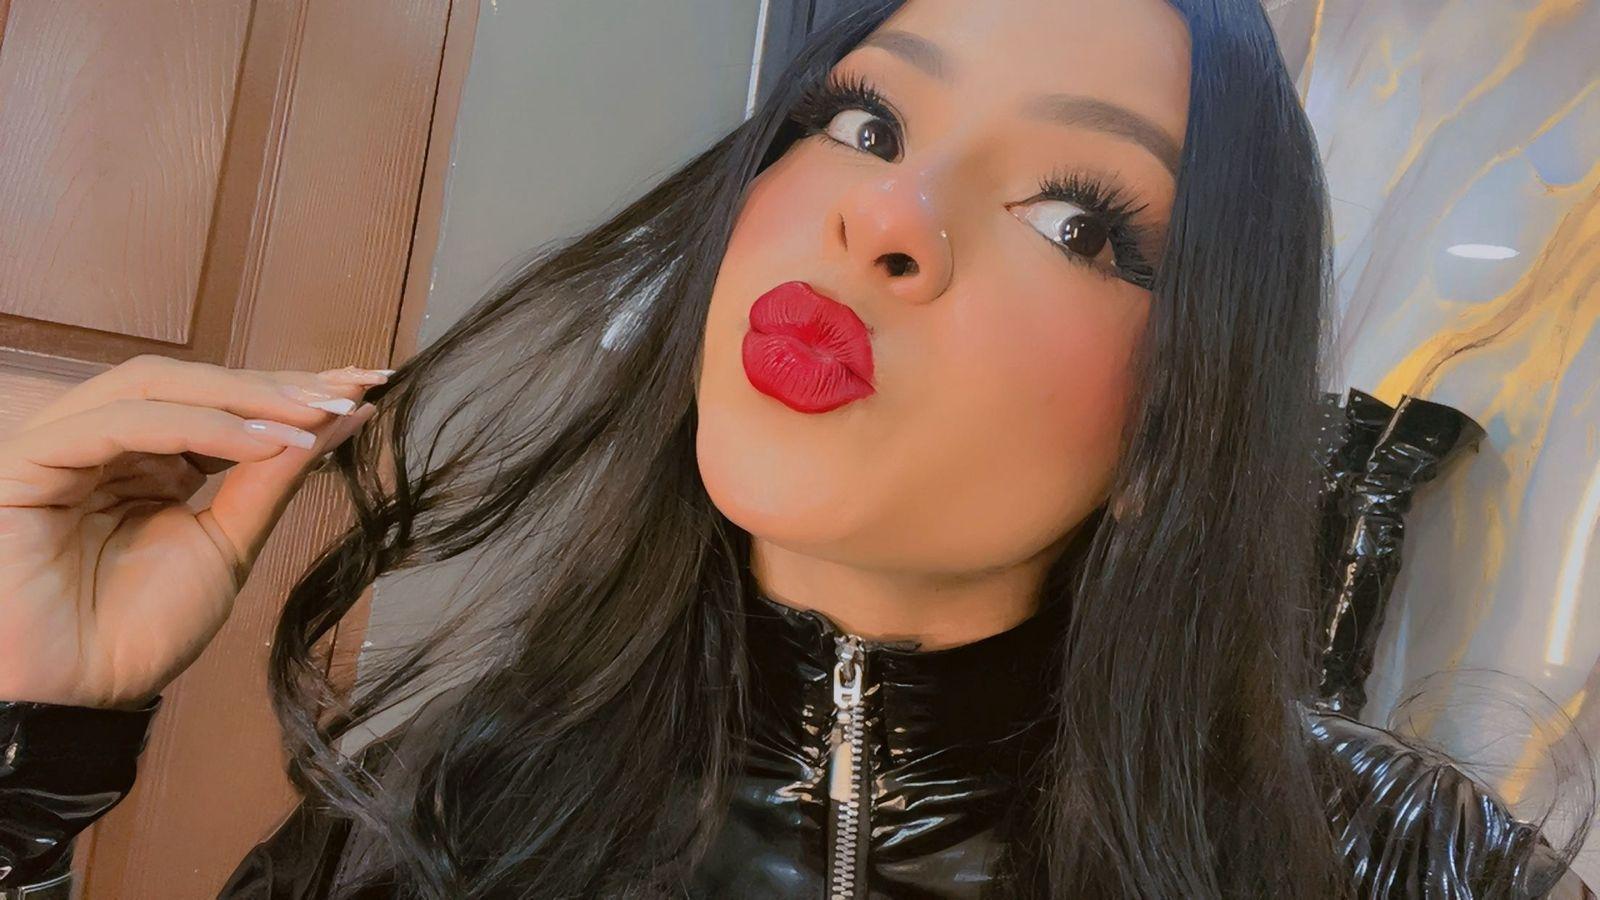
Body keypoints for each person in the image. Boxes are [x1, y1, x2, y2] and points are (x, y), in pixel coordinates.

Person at [0, 0, 1594, 897]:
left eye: (1077, 218)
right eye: (865, 121)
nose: (887, 213)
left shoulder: (1399, 867)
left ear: (1186, 416)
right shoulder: (427, 830)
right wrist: (29, 763)